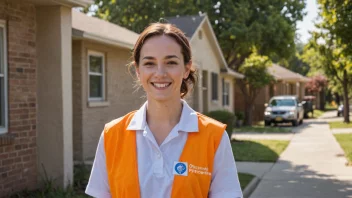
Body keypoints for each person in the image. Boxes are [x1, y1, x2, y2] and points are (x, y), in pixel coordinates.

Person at [85, 22, 243, 198]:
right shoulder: (112, 135)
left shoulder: (214, 137)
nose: (160, 73)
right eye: (149, 63)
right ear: (138, 70)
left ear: (186, 68)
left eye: (171, 62)